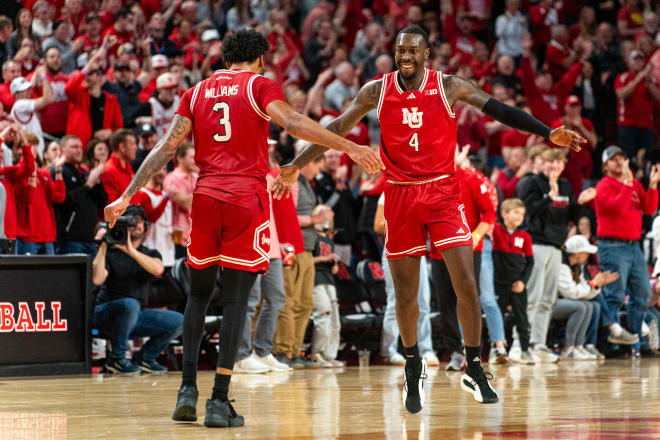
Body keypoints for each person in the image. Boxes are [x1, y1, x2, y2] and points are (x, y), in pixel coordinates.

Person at [273, 25, 585, 411]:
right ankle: (412, 363)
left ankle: (473, 364)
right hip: (401, 194)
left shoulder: (449, 85)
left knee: (466, 283)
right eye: (400, 50)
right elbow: (337, 127)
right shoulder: (377, 90)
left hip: (442, 191)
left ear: (426, 54)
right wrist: (294, 165)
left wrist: (547, 131)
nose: (405, 56)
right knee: (405, 293)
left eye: (412, 51)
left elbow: (500, 110)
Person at [104, 29, 382, 429]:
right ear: (260, 60)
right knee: (236, 301)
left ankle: (186, 392)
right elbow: (293, 121)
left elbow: (167, 146)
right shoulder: (260, 85)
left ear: (225, 58)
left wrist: (127, 195)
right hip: (245, 200)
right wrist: (350, 147)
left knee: (197, 298)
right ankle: (219, 400)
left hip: (206, 198)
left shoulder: (196, 91)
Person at [92, 205, 183, 374]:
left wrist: (131, 251)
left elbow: (158, 269)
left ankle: (145, 358)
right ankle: (117, 359)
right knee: (130, 305)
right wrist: (103, 245)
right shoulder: (110, 252)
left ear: (146, 227)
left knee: (179, 321)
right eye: (132, 222)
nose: (137, 225)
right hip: (106, 315)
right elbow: (97, 278)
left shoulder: (150, 253)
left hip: (135, 317)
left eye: (140, 222)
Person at [595, 145, 657, 348]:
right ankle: (611, 342)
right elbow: (618, 207)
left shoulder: (634, 184)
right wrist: (628, 183)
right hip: (612, 246)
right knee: (615, 294)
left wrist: (653, 187)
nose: (619, 162)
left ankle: (636, 339)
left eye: (622, 158)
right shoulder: (604, 185)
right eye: (614, 159)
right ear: (605, 165)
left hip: (633, 246)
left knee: (642, 294)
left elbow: (648, 208)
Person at [374, 191, 439, 367]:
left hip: (417, 250)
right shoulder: (389, 192)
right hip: (393, 250)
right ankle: (390, 351)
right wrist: (404, 219)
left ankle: (426, 349)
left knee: (423, 302)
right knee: (395, 301)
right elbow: (378, 225)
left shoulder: (422, 191)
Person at [557, 234, 619, 360]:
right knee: (581, 306)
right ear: (577, 253)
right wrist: (592, 284)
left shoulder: (576, 267)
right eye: (586, 252)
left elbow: (584, 290)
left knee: (592, 305)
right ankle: (567, 349)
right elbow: (570, 293)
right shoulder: (561, 265)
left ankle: (578, 347)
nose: (588, 256)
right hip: (551, 304)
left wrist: (597, 285)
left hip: (564, 302)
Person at [492, 198, 535, 363]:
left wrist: (523, 282)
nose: (519, 217)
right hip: (498, 283)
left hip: (518, 284)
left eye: (522, 214)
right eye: (516, 212)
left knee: (521, 317)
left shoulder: (525, 236)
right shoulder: (495, 230)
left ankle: (525, 350)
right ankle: (497, 349)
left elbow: (530, 262)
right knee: (498, 315)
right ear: (504, 214)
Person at [54, 135, 107, 255]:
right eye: (74, 147)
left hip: (91, 238)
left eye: (80, 147)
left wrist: (97, 182)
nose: (79, 150)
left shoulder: (84, 173)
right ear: (62, 150)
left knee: (95, 273)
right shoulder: (59, 172)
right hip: (70, 239)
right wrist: (88, 185)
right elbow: (64, 201)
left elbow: (103, 202)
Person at [309, 205, 343, 367]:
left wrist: (334, 264)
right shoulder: (311, 236)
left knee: (335, 321)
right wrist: (324, 259)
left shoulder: (329, 239)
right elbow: (306, 261)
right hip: (316, 279)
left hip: (329, 280)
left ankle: (329, 354)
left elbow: (333, 269)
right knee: (323, 315)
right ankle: (316, 353)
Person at [163, 143, 197, 259]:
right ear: (180, 158)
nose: (195, 160)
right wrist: (204, 189)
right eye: (192, 157)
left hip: (197, 236)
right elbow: (186, 204)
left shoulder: (197, 177)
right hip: (179, 237)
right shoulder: (171, 179)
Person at [10, 67, 53, 157]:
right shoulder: (19, 105)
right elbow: (48, 99)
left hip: (35, 153)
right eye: (25, 90)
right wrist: (43, 77)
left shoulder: (24, 106)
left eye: (29, 88)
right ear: (16, 94)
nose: (29, 91)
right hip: (29, 154)